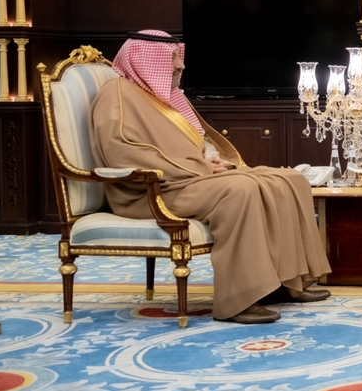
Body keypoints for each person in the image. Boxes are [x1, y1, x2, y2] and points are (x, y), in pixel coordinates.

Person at [90, 30, 331, 325]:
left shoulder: (164, 96)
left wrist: (210, 155)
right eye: (172, 59)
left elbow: (197, 139)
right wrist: (199, 166)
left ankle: (284, 283)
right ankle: (239, 299)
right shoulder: (117, 94)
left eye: (178, 57)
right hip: (152, 191)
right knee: (240, 190)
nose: (180, 66)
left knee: (290, 180)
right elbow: (122, 152)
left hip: (190, 180)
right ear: (144, 60)